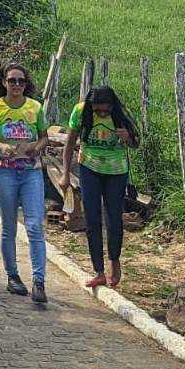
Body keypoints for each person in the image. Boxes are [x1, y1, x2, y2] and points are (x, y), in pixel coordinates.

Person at [0, 63, 51, 303]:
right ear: (4, 83)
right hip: (4, 172)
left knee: (34, 226)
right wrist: (0, 146)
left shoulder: (35, 108)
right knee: (9, 226)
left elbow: (44, 137)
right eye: (12, 81)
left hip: (31, 172)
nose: (17, 85)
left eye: (21, 81)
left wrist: (35, 148)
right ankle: (12, 276)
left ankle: (39, 280)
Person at [60, 85, 139, 289]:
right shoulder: (80, 112)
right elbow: (69, 144)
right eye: (98, 110)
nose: (102, 113)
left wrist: (127, 138)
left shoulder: (121, 115)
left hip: (116, 171)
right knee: (92, 219)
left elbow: (136, 143)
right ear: (91, 106)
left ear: (112, 107)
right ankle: (99, 271)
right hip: (89, 168)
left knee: (114, 218)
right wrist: (65, 173)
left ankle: (114, 260)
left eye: (106, 110)